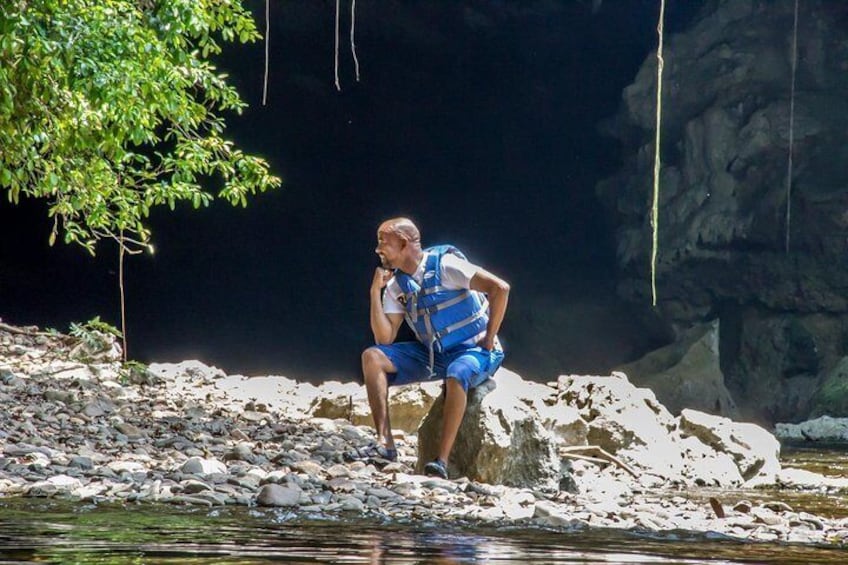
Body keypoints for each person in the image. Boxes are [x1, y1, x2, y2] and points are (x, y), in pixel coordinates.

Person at [355, 217, 510, 479]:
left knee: (457, 371)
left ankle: (441, 461)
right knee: (373, 357)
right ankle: (385, 444)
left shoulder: (447, 266)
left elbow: (500, 288)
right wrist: (374, 292)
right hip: (434, 355)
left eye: (383, 241)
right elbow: (384, 338)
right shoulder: (396, 286)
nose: (377, 248)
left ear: (404, 243)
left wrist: (490, 337)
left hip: (474, 350)